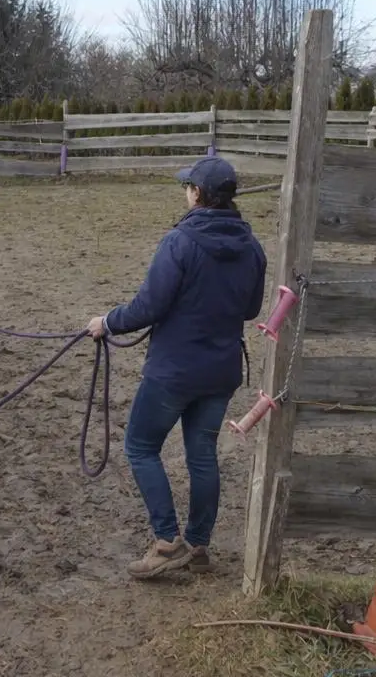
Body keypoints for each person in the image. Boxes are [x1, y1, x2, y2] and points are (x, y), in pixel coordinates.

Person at [86, 155, 268, 580]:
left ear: (198, 194)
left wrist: (106, 322)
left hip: (174, 371)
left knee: (140, 446)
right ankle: (199, 545)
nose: (186, 192)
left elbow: (148, 307)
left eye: (188, 186)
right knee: (202, 454)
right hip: (221, 370)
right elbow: (251, 308)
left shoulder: (180, 243)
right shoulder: (252, 247)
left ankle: (168, 541)